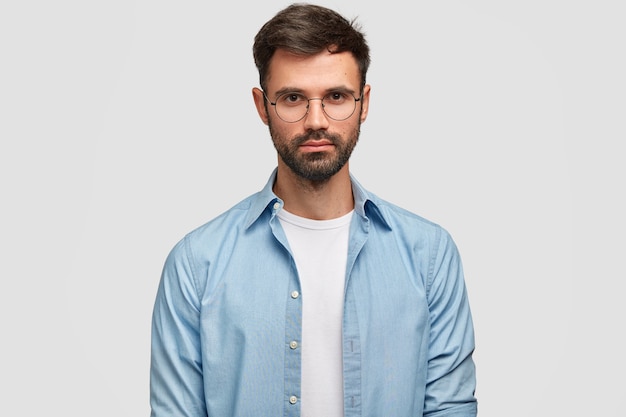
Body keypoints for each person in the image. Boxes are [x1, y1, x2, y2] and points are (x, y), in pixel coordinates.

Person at [149, 3, 477, 416]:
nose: (316, 120)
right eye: (292, 98)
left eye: (336, 97)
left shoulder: (429, 255)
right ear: (261, 106)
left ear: (365, 102)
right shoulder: (196, 264)